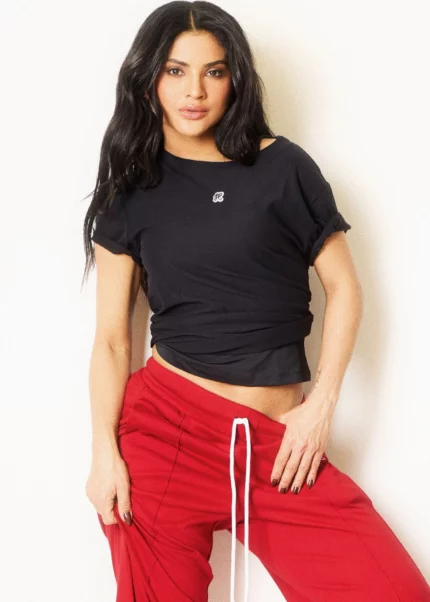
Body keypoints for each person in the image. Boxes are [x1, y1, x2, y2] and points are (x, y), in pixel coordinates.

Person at [83, 2, 430, 601]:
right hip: (165, 436)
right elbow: (114, 341)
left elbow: (344, 288)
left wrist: (320, 408)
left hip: (278, 446)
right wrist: (103, 454)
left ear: (236, 79)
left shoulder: (283, 167)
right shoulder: (130, 191)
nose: (195, 91)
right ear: (147, 80)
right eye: (175, 71)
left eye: (214, 72)